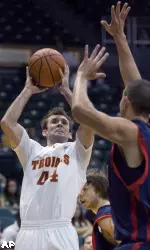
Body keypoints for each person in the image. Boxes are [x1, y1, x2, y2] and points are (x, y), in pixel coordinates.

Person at [72, 3, 150, 250]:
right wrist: (120, 39)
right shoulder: (143, 129)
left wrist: (81, 77)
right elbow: (135, 84)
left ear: (125, 101)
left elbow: (80, 111)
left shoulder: (131, 132)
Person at [0, 65, 94, 250]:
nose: (60, 123)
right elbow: (7, 122)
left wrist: (67, 92)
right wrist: (27, 90)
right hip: (28, 230)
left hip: (60, 228)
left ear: (70, 133)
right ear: (44, 131)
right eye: (54, 121)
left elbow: (89, 121)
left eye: (65, 122)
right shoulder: (31, 150)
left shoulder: (76, 150)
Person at [80, 169, 117, 249]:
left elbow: (128, 245)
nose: (80, 194)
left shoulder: (105, 215)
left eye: (85, 189)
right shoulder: (108, 211)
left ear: (99, 189)